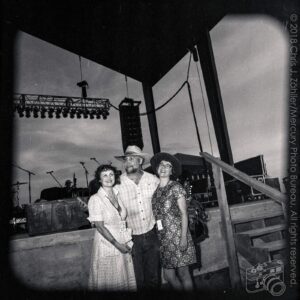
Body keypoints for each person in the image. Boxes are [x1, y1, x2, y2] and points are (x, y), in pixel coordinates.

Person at [114, 145, 160, 290]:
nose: (128, 162)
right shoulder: (117, 184)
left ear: (140, 161)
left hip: (152, 234)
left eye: (132, 159)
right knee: (137, 280)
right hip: (131, 239)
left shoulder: (153, 180)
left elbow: (160, 208)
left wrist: (161, 232)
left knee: (154, 278)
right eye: (126, 159)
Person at [150, 152, 196, 290]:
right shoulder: (156, 191)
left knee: (183, 273)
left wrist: (183, 238)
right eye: (161, 165)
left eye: (167, 166)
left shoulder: (176, 187)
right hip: (164, 239)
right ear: (157, 169)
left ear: (172, 171)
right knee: (169, 276)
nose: (163, 167)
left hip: (177, 236)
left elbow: (184, 214)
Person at [87, 164, 136, 290]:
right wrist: (117, 244)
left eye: (111, 174)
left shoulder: (117, 195)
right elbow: (100, 227)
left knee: (123, 279)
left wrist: (125, 242)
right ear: (99, 179)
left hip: (122, 242)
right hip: (107, 244)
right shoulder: (95, 199)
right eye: (104, 175)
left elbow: (121, 220)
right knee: (110, 281)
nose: (109, 177)